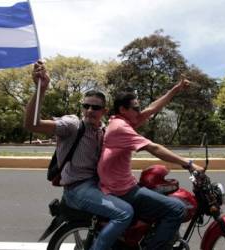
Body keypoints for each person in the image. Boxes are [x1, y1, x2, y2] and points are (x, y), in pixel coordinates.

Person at [24, 61, 134, 250]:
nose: (90, 110)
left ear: (104, 111)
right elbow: (32, 125)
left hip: (97, 186)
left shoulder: (103, 131)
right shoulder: (73, 125)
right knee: (124, 213)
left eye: (95, 108)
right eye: (86, 106)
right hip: (78, 189)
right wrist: (41, 89)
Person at [98, 80, 205, 250]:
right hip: (122, 191)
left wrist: (175, 90)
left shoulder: (120, 120)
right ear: (123, 109)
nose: (140, 111)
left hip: (118, 186)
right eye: (136, 108)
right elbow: (153, 147)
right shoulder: (121, 127)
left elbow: (153, 108)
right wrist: (188, 163)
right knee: (177, 208)